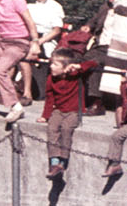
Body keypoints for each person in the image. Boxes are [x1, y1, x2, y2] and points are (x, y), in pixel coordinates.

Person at [39, 50, 99, 180]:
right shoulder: (51, 79)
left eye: (55, 64)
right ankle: (54, 163)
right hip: (59, 110)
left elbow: (94, 63)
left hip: (74, 111)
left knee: (66, 128)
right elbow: (49, 99)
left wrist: (78, 66)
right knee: (52, 128)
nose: (51, 67)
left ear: (66, 67)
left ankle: (63, 161)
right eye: (51, 64)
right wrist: (45, 115)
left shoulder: (76, 75)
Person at [25, 0, 65, 103]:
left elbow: (56, 30)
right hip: (31, 37)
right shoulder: (29, 6)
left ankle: (26, 89)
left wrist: (38, 42)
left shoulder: (54, 6)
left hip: (46, 40)